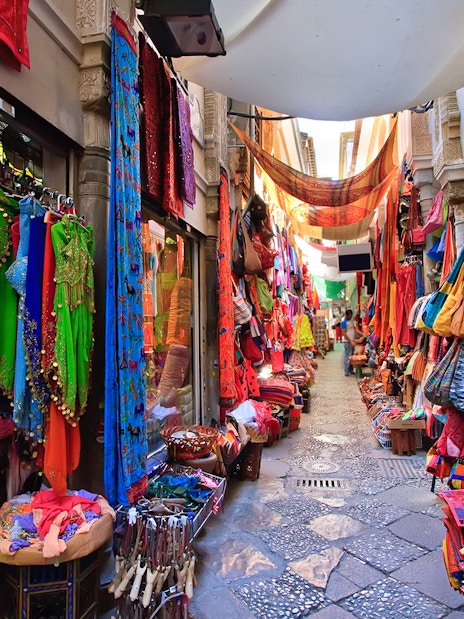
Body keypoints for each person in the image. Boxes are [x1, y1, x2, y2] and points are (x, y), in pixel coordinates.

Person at [340, 309, 365, 376]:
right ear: (347, 315)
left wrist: (363, 334)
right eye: (350, 315)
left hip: (351, 342)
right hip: (347, 342)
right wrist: (350, 341)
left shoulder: (350, 321)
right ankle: (346, 371)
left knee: (350, 356)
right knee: (347, 356)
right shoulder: (343, 322)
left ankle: (350, 370)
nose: (351, 317)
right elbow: (344, 334)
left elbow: (355, 329)